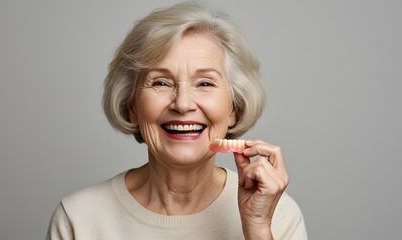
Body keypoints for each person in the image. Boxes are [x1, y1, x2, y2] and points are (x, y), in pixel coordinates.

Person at [47, 2, 307, 239]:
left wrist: (257, 226)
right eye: (161, 82)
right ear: (131, 106)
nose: (182, 104)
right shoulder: (78, 219)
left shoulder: (277, 215)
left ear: (235, 109)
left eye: (205, 83)